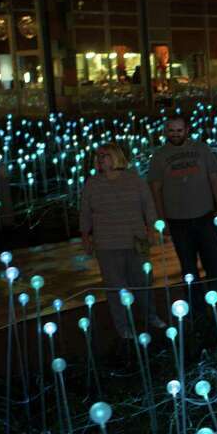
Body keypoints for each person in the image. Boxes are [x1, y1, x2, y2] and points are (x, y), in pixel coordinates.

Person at [80, 142, 162, 350]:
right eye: (98, 155)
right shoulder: (92, 183)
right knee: (116, 288)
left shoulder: (134, 179)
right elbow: (85, 212)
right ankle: (123, 326)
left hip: (137, 240)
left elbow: (148, 204)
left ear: (116, 157)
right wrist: (85, 236)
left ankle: (150, 316)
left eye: (105, 155)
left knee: (143, 281)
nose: (100, 158)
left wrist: (152, 228)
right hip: (107, 243)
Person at [148, 114, 217, 308]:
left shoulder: (201, 149)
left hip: (205, 217)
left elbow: (214, 179)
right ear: (166, 131)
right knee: (188, 267)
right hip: (178, 221)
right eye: (171, 131)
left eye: (179, 130)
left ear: (187, 130)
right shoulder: (159, 156)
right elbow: (155, 189)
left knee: (213, 263)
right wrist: (161, 218)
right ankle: (196, 307)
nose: (175, 134)